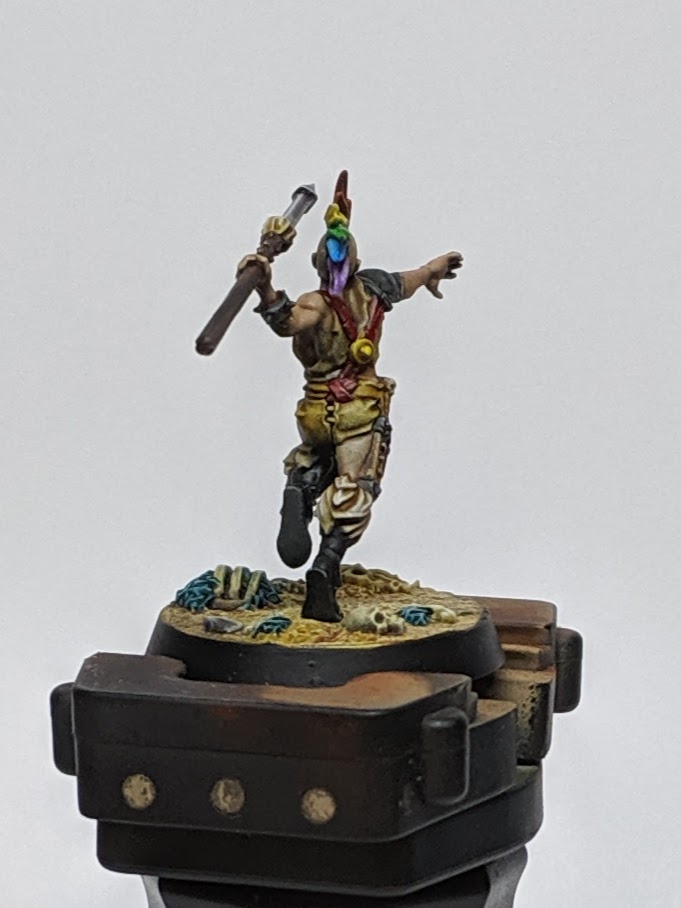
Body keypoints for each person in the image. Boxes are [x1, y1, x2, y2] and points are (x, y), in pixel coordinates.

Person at [240, 172, 462, 621]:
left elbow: (287, 320)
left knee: (314, 457)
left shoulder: (315, 302)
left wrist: (265, 287)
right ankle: (326, 565)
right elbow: (410, 279)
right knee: (356, 485)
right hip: (359, 410)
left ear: (315, 262)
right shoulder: (374, 288)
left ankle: (299, 490)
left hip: (315, 412)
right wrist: (432, 269)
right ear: (356, 262)